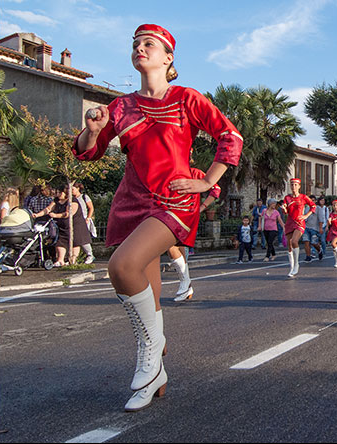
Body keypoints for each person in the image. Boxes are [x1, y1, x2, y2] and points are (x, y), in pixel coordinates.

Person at [73, 24, 242, 411]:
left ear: (168, 58)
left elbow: (231, 136)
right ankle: (156, 375)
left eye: (148, 44)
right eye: (135, 44)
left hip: (174, 199)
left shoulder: (186, 98)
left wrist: (208, 183)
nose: (139, 49)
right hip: (131, 200)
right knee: (147, 291)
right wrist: (92, 129)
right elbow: (89, 153)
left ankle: (150, 355)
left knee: (121, 266)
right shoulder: (120, 106)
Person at [168, 177, 219, 302]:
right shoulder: (168, 170)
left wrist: (202, 207)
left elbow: (216, 189)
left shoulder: (194, 173)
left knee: (172, 245)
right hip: (167, 214)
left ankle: (185, 283)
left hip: (186, 215)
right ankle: (186, 284)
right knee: (176, 248)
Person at [35, 186, 92, 267]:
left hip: (75, 225)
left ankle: (73, 260)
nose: (57, 195)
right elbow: (48, 209)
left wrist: (55, 215)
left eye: (59, 193)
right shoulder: (56, 201)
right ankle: (60, 260)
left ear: (65, 193)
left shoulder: (72, 201)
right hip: (62, 225)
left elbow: (68, 214)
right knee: (60, 241)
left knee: (75, 242)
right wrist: (37, 215)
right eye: (57, 193)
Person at [280, 179, 316, 277]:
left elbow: (313, 206)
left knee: (294, 241)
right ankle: (291, 267)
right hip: (289, 223)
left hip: (299, 223)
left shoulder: (304, 197)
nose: (293, 187)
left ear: (299, 186)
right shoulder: (287, 198)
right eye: (292, 185)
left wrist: (305, 216)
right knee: (289, 246)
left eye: (295, 185)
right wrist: (284, 209)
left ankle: (296, 265)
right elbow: (286, 212)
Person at [71, 183, 96, 264]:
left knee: (83, 237)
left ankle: (90, 254)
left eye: (73, 189)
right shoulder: (71, 198)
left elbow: (91, 207)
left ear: (78, 188)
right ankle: (75, 257)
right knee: (76, 238)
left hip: (84, 219)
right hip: (75, 220)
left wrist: (88, 218)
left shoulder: (84, 197)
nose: (71, 191)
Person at [301, 197, 323, 262]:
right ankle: (308, 256)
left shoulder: (318, 209)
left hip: (314, 228)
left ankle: (319, 250)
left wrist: (321, 228)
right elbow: (304, 217)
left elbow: (321, 219)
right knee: (306, 241)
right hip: (306, 227)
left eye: (313, 200)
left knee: (314, 242)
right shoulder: (307, 208)